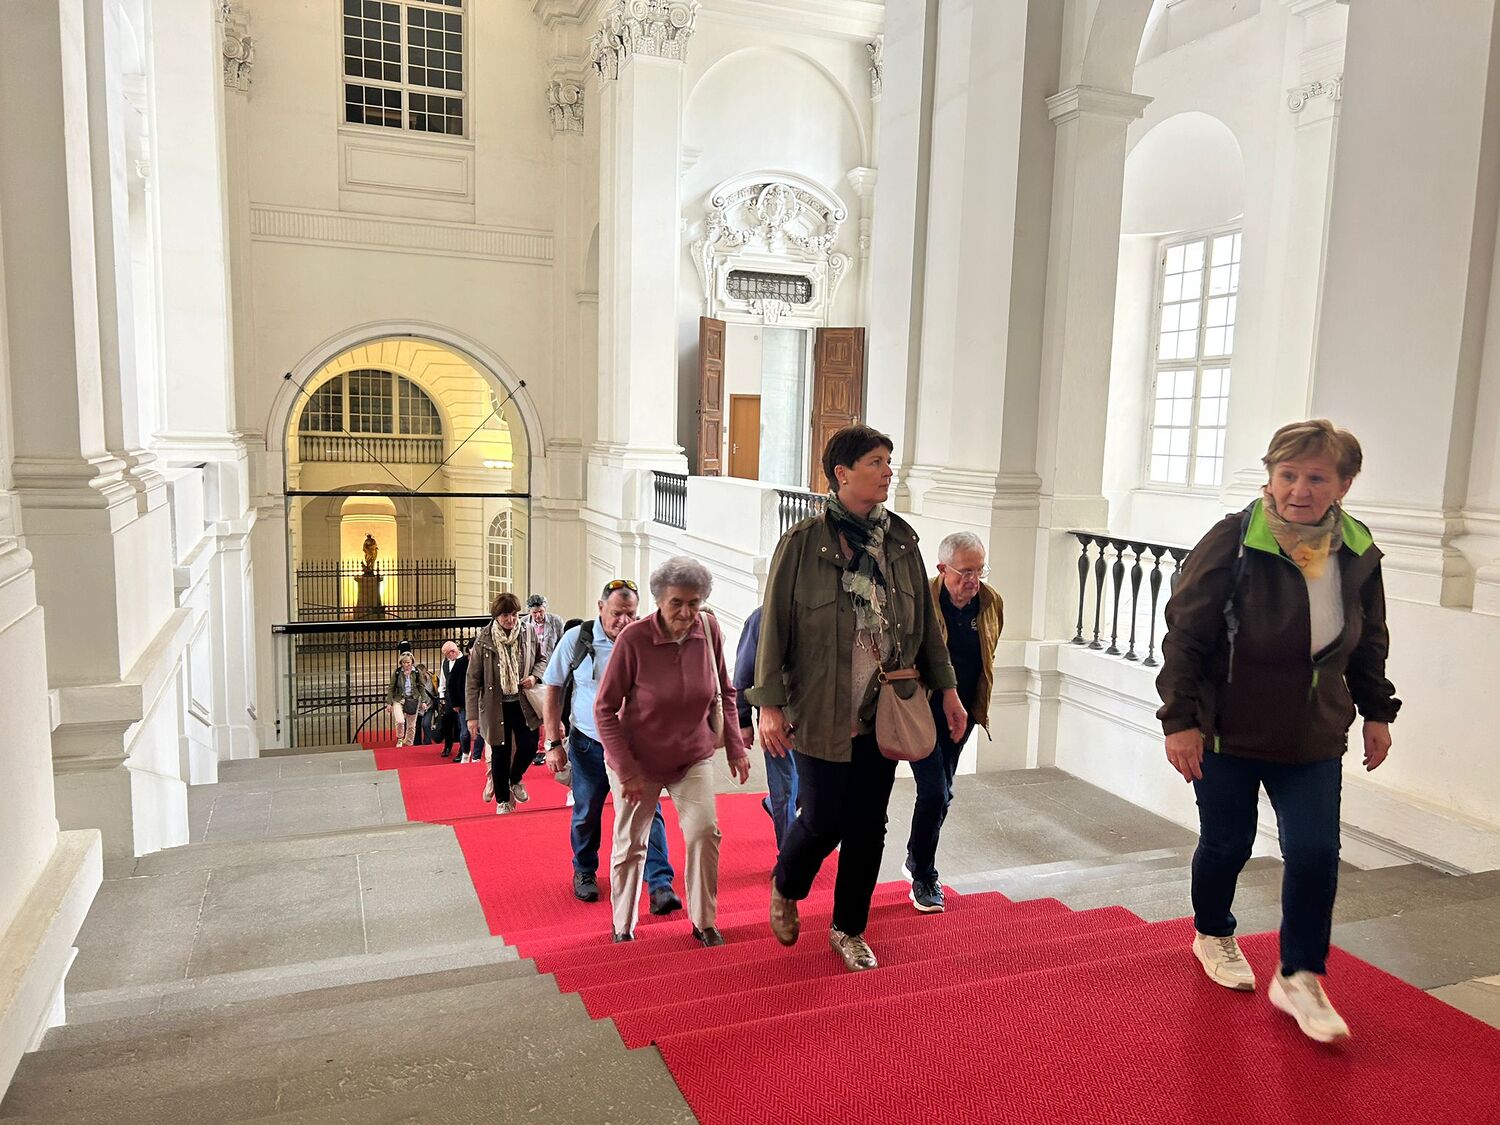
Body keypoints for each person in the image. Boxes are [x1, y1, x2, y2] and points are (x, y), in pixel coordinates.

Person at [1157, 419, 1400, 1044]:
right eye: (1288, 474)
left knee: (1316, 851)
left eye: (1316, 477)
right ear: (1270, 477)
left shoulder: (1357, 548)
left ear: (1343, 485)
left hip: (1312, 732)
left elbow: (1368, 637)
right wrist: (1180, 721)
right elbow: (1185, 635)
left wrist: (1377, 710)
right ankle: (1212, 932)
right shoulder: (1233, 539)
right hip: (1227, 731)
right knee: (1228, 843)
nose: (1299, 489)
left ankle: (1299, 975)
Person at [750, 425, 965, 972]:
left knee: (869, 825)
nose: (889, 471)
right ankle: (787, 883)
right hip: (821, 708)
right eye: (876, 461)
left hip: (885, 709)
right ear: (842, 473)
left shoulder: (901, 543)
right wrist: (769, 706)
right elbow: (774, 628)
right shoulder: (803, 543)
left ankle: (848, 928)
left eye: (889, 460)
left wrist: (948, 691)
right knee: (824, 818)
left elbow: (928, 629)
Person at [594, 558, 750, 945]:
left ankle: (704, 921)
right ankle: (622, 926)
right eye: (676, 603)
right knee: (631, 843)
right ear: (659, 601)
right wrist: (627, 770)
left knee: (704, 832)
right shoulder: (634, 640)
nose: (685, 612)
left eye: (694, 603)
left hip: (691, 754)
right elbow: (604, 710)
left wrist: (735, 745)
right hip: (638, 760)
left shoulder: (708, 630)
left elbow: (726, 690)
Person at [541, 582, 681, 912]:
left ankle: (660, 883)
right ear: (600, 607)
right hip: (588, 745)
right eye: (617, 613)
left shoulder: (649, 639)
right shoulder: (577, 640)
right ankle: (585, 869)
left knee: (648, 812)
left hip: (635, 747)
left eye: (631, 614)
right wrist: (553, 742)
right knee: (587, 812)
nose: (624, 620)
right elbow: (553, 688)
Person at [904, 531, 1003, 913]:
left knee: (943, 792)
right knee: (933, 791)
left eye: (980, 570)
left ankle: (917, 855)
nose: (973, 580)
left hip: (963, 714)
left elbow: (987, 657)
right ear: (942, 568)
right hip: (922, 710)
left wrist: (972, 706)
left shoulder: (991, 603)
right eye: (965, 572)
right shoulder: (920, 603)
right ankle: (924, 874)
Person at [467, 592, 548, 814]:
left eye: (514, 614)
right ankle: (502, 800)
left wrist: (534, 677)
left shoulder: (528, 632)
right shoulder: (484, 639)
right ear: (496, 616)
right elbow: (472, 680)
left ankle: (515, 779)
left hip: (523, 701)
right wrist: (472, 717)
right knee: (500, 753)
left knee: (529, 746)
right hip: (496, 705)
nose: (510, 620)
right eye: (505, 615)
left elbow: (542, 659)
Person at [733, 606, 799, 849]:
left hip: (814, 717)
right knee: (785, 788)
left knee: (807, 788)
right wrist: (743, 721)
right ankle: (788, 854)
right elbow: (743, 673)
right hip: (776, 718)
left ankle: (775, 806)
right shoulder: (761, 618)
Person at [527, 595, 567, 765]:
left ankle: (548, 746)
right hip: (534, 672)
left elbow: (562, 644)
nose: (538, 615)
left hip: (552, 669)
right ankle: (535, 748)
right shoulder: (523, 623)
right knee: (537, 710)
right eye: (534, 612)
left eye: (541, 611)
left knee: (550, 708)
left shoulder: (556, 621)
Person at [388, 652, 430, 748]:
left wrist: (423, 701)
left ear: (412, 662)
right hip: (399, 699)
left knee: (411, 724)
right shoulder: (397, 672)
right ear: (401, 663)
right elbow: (391, 687)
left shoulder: (416, 672)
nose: (406, 665)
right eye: (404, 663)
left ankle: (409, 743)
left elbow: (421, 687)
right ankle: (400, 738)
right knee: (400, 721)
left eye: (408, 662)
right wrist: (389, 703)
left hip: (413, 699)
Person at [437, 641, 462, 757]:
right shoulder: (445, 663)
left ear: (452, 651)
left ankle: (463, 749)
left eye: (447, 654)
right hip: (449, 698)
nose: (447, 657)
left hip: (461, 698)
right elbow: (443, 680)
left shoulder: (464, 661)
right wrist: (441, 696)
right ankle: (447, 746)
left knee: (461, 725)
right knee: (447, 723)